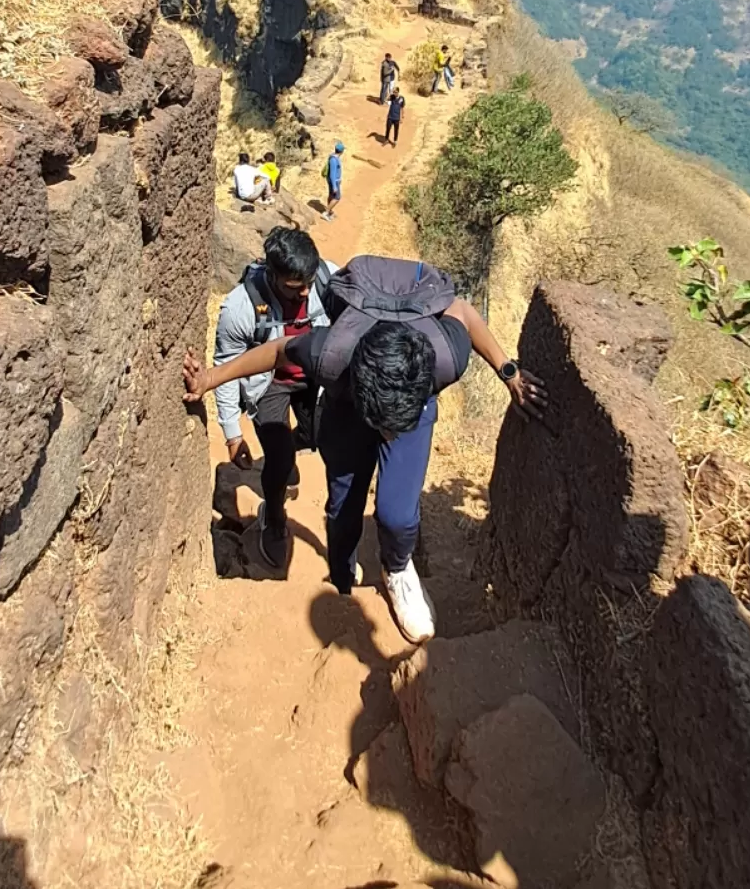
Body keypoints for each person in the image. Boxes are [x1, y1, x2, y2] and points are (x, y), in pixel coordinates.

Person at [185, 255, 545, 643]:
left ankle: (398, 569)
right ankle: (342, 574)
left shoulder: (444, 357)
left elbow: (461, 311)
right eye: (384, 428)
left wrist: (508, 373)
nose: (388, 437)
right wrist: (209, 379)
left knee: (398, 513)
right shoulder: (331, 356)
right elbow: (277, 351)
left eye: (394, 429)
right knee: (342, 509)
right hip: (348, 410)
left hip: (411, 403)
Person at [212, 226, 337, 570]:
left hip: (314, 376)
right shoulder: (241, 306)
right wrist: (232, 434)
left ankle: (291, 447)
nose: (306, 293)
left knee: (320, 437)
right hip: (269, 382)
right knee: (279, 460)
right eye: (295, 288)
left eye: (310, 283)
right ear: (272, 274)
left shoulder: (329, 281)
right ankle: (275, 514)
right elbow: (227, 368)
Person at [325, 140, 345, 217]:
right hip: (334, 181)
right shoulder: (333, 160)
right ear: (341, 151)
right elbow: (332, 174)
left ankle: (329, 211)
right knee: (337, 198)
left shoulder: (334, 157)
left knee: (331, 195)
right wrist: (334, 186)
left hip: (335, 181)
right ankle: (326, 212)